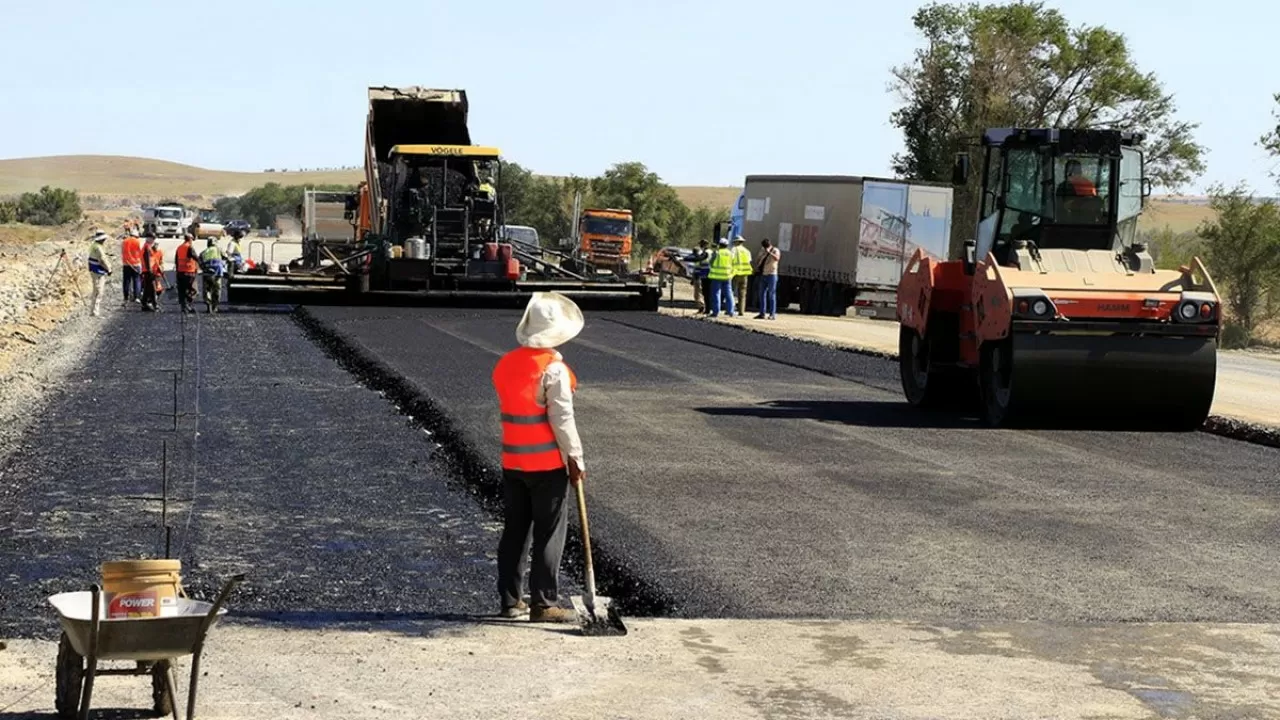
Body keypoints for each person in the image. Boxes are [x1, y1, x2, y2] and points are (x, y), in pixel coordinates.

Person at [492, 292, 586, 623]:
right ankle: (544, 603)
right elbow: (562, 419)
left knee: (515, 531)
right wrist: (575, 457)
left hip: (512, 463)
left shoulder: (505, 364)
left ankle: (510, 601)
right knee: (550, 533)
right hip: (547, 466)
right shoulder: (554, 371)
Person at [86, 230, 112, 317]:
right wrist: (109, 269)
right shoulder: (98, 248)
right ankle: (95, 312)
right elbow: (102, 260)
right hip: (98, 271)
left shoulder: (94, 245)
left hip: (94, 270)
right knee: (99, 291)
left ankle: (93, 311)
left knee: (95, 290)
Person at [707, 237, 735, 318]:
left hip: (717, 276)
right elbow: (733, 264)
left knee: (716, 294)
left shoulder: (717, 253)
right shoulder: (730, 253)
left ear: (720, 245)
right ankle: (730, 311)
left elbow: (711, 263)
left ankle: (716, 312)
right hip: (727, 276)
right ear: (727, 245)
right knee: (729, 294)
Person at [754, 238, 781, 320]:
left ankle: (772, 314)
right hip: (763, 274)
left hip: (772, 274)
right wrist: (763, 255)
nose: (765, 248)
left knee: (771, 294)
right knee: (761, 294)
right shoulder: (762, 251)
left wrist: (769, 252)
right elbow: (757, 260)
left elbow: (777, 258)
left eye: (766, 246)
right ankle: (762, 313)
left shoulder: (775, 250)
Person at [199, 238, 226, 313]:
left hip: (207, 273)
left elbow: (200, 261)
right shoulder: (218, 250)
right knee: (216, 289)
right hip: (217, 273)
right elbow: (226, 257)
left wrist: (204, 268)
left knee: (207, 289)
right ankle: (215, 307)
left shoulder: (204, 252)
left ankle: (208, 306)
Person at [174, 234, 199, 314]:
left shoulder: (179, 247)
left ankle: (183, 307)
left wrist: (177, 271)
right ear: (190, 239)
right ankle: (189, 305)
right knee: (192, 290)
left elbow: (176, 260)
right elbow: (196, 257)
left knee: (182, 290)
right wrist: (202, 264)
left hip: (180, 272)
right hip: (189, 272)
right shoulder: (189, 247)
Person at [120, 228, 144, 304]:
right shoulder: (137, 241)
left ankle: (126, 297)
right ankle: (137, 297)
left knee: (126, 281)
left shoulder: (124, 241)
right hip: (136, 263)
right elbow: (140, 252)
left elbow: (122, 252)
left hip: (126, 263)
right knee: (137, 280)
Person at [140, 234, 164, 312]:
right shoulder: (147, 247)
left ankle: (144, 304)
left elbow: (155, 260)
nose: (153, 240)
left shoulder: (148, 246)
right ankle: (155, 305)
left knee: (147, 288)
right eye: (152, 238)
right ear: (149, 238)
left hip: (147, 270)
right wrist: (150, 270)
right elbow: (147, 259)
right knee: (153, 289)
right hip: (148, 271)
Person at [730, 235, 753, 316]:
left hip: (735, 273)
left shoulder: (734, 249)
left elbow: (731, 259)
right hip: (745, 274)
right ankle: (741, 311)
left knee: (731, 292)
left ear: (736, 242)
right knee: (742, 293)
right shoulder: (747, 251)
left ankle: (730, 309)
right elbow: (749, 261)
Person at [689, 239, 710, 313]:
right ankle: (704, 307)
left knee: (698, 294)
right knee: (703, 293)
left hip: (699, 277)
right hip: (704, 276)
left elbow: (697, 268)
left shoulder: (701, 255)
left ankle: (702, 306)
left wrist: (693, 278)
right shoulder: (707, 252)